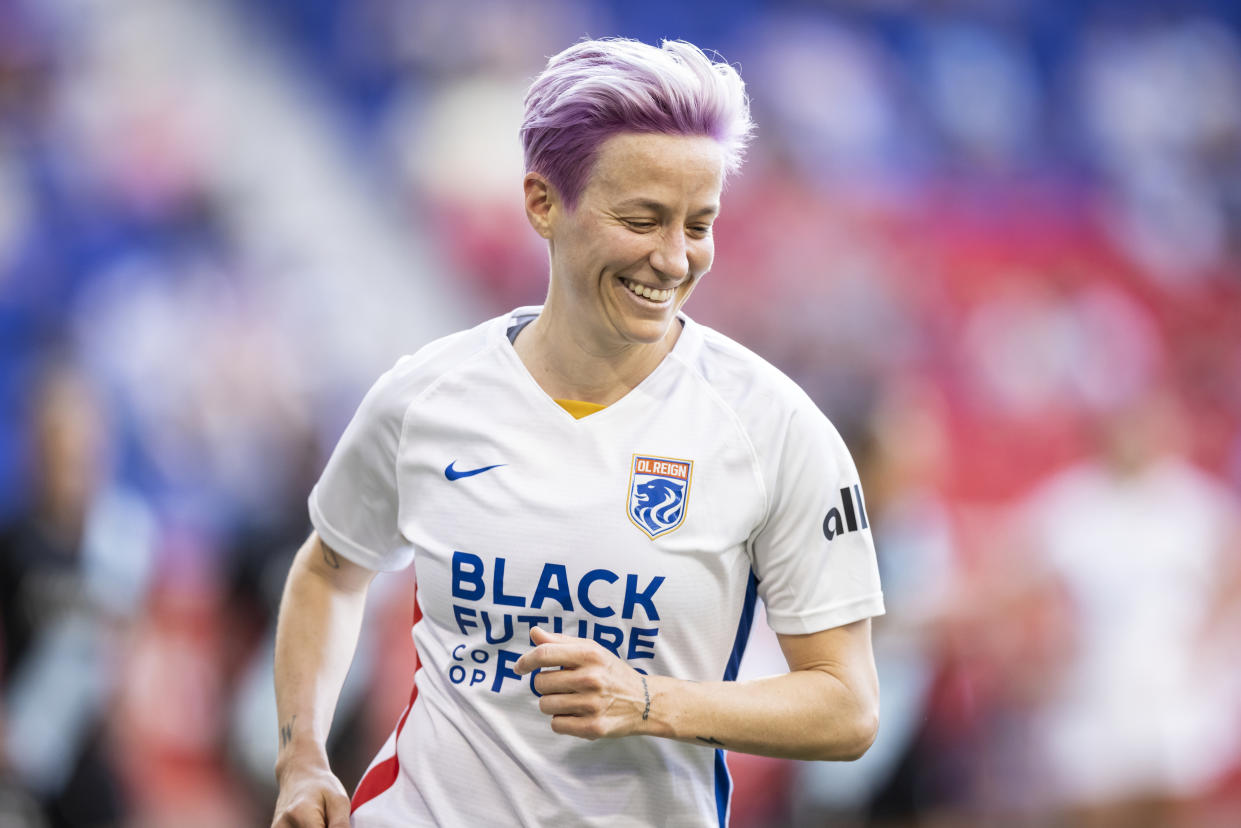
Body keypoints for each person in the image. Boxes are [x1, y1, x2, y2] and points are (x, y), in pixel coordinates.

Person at [271, 38, 884, 828]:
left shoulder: (772, 426)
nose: (673, 259)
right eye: (642, 219)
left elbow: (847, 706)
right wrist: (301, 759)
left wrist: (649, 701)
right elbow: (329, 570)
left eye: (698, 224)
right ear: (541, 203)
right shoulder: (428, 396)